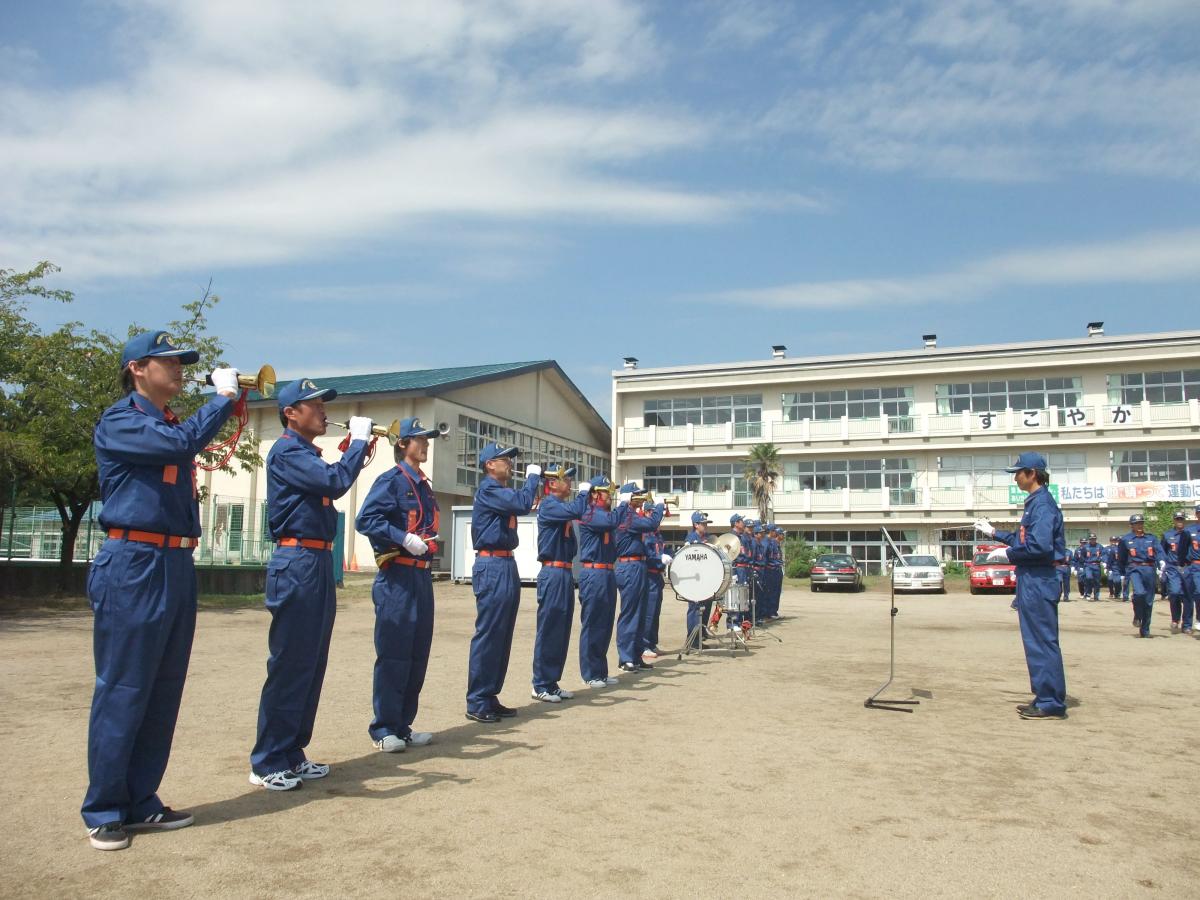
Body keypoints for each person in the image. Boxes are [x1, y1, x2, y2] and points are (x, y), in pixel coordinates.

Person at [82, 331, 238, 850]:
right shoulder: (121, 419)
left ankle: (140, 800)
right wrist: (220, 400)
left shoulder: (171, 422)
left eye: (180, 362)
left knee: (163, 688)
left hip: (174, 560)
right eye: (167, 362)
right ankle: (104, 808)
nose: (178, 369)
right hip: (134, 560)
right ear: (136, 369)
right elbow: (179, 445)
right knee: (124, 687)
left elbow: (182, 441)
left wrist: (219, 406)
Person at [250, 379, 373, 790]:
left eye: (322, 405)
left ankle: (292, 751)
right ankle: (267, 760)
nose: (322, 411)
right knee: (290, 662)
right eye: (313, 405)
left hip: (316, 558)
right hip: (297, 558)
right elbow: (336, 482)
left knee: (311, 661)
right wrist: (357, 442)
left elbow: (331, 478)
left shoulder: (307, 454)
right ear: (290, 413)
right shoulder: (287, 451)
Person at [355, 417, 444, 752]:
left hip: (421, 575)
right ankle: (384, 728)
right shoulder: (391, 480)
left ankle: (403, 724)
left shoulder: (424, 485)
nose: (426, 444)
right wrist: (402, 537)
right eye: (419, 439)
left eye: (427, 439)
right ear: (403, 443)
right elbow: (366, 520)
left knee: (417, 652)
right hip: (397, 576)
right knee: (394, 652)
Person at [974, 451, 1067, 720]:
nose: (1015, 478)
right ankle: (1045, 696)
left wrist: (1008, 555)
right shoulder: (1035, 503)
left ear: (1032, 474)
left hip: (1040, 578)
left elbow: (1039, 547)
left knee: (1041, 641)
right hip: (1033, 578)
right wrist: (994, 533)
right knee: (1035, 640)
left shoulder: (1043, 506)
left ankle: (1050, 701)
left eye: (1018, 472)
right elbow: (1023, 538)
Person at [465, 443, 541, 723]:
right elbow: (522, 503)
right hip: (492, 563)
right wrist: (533, 478)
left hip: (506, 562)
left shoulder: (500, 490)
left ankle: (489, 694)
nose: (509, 463)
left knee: (503, 633)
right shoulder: (489, 489)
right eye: (504, 459)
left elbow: (521, 501)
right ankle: (477, 699)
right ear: (489, 465)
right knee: (489, 633)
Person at [530, 464, 591, 702]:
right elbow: (578, 508)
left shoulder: (560, 506)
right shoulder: (548, 504)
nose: (571, 484)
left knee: (562, 629)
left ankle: (552, 681)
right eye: (566, 479)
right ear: (552, 483)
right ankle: (540, 683)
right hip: (552, 571)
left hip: (564, 572)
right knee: (549, 629)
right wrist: (585, 493)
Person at [613, 483, 665, 672]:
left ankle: (635, 656)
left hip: (638, 564)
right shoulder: (627, 516)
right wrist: (659, 506)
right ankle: (625, 658)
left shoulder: (632, 515)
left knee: (641, 614)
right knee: (630, 613)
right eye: (637, 495)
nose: (641, 498)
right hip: (629, 565)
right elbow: (652, 523)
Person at [576, 476, 621, 686]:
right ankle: (590, 673)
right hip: (593, 572)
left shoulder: (606, 515)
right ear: (594, 494)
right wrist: (627, 505)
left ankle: (600, 671)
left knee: (605, 624)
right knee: (592, 624)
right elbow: (612, 521)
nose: (610, 495)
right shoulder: (590, 513)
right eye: (605, 491)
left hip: (607, 572)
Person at [1118, 514, 1158, 638]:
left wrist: (1162, 562)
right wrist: (1122, 573)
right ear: (1131, 525)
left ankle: (1145, 630)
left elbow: (1159, 551)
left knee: (1148, 601)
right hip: (1135, 569)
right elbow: (1122, 558)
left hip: (1149, 569)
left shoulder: (1151, 538)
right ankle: (1137, 615)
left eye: (1141, 523)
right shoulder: (1126, 539)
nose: (1139, 525)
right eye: (1136, 523)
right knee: (1139, 593)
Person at [640, 513, 670, 661]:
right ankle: (644, 645)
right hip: (650, 574)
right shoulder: (647, 533)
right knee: (649, 612)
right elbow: (649, 554)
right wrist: (660, 559)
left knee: (655, 612)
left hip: (657, 575)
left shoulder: (657, 534)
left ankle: (652, 643)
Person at [683, 511, 713, 647]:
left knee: (704, 608)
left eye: (706, 523)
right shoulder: (691, 538)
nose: (705, 526)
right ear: (696, 525)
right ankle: (692, 640)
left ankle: (699, 638)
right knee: (695, 608)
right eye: (703, 524)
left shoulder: (707, 537)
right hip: (694, 579)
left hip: (705, 577)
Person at [1161, 511, 1191, 634]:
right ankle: (1175, 618)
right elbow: (1162, 550)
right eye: (1177, 519)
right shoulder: (1167, 535)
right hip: (1173, 567)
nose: (1180, 521)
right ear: (1174, 520)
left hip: (1188, 567)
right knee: (1174, 592)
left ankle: (1187, 624)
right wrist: (1161, 564)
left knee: (1188, 596)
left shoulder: (1189, 534)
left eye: (1182, 519)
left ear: (1184, 520)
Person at [1184, 503, 1200, 636]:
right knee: (1191, 596)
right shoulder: (1190, 531)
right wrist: (1181, 564)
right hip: (1194, 566)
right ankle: (1187, 624)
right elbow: (1182, 549)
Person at [1081, 534, 1103, 601]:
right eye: (1091, 539)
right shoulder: (1085, 547)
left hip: (1096, 565)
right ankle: (1088, 593)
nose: (1093, 540)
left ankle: (1096, 596)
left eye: (1094, 538)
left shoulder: (1099, 546)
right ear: (1089, 539)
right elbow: (1082, 556)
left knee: (1097, 581)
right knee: (1088, 578)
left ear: (1096, 539)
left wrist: (1102, 561)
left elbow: (1103, 554)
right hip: (1088, 565)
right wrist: (1085, 562)